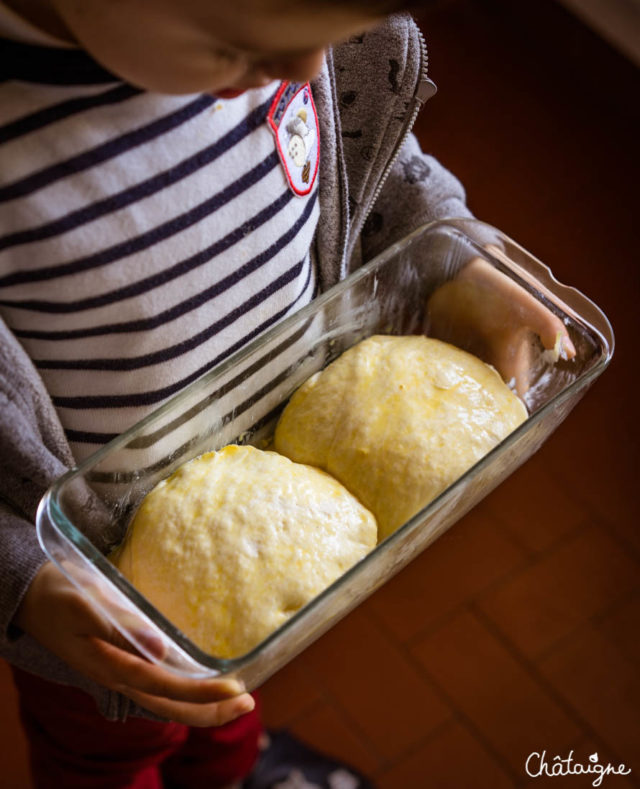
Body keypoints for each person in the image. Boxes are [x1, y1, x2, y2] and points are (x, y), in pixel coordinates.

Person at [0, 0, 574, 786]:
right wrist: (22, 576)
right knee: (109, 754)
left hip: (264, 533)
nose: (310, 70)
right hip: (102, 590)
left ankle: (233, 772)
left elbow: (366, 151)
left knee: (231, 704)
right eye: (237, 47)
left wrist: (448, 255)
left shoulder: (283, 39)